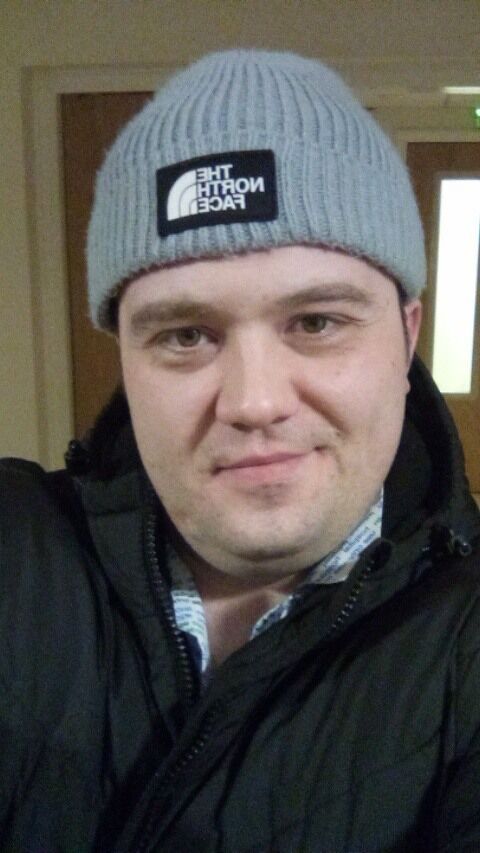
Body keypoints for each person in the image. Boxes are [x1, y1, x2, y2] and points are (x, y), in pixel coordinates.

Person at [1, 49, 479, 853]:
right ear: (125, 356)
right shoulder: (17, 546)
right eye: (186, 335)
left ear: (406, 338)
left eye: (317, 322)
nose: (254, 401)